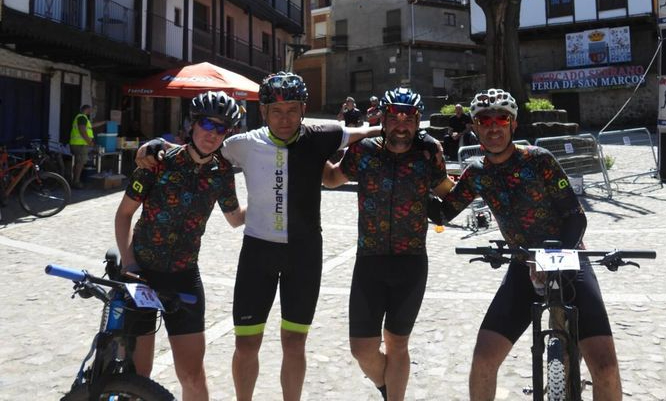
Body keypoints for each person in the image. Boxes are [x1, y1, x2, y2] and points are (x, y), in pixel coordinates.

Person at [136, 72, 379, 401]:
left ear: (303, 109)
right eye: (276, 111)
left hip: (304, 254)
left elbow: (366, 132)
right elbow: (199, 146)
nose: (284, 119)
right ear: (263, 111)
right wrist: (155, 146)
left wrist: (400, 130)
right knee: (246, 344)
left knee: (294, 343)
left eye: (292, 110)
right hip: (257, 254)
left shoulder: (323, 135)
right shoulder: (243, 144)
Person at [434, 89, 621, 401]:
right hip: (523, 266)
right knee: (483, 360)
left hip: (569, 260)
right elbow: (442, 212)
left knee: (605, 368)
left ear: (513, 124)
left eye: (501, 119)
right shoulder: (477, 172)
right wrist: (421, 175)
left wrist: (551, 256)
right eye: (484, 120)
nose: (493, 127)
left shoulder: (538, 159)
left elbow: (576, 217)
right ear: (475, 127)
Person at [115, 91, 246, 401]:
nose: (212, 134)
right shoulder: (157, 162)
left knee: (192, 376)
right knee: (137, 376)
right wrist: (129, 263)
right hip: (141, 274)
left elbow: (235, 218)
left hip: (184, 276)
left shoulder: (222, 173)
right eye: (207, 124)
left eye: (221, 128)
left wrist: (273, 202)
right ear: (192, 124)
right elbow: (124, 215)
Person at [323, 87, 452, 401]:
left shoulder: (428, 151)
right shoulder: (364, 150)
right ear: (383, 118)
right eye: (394, 116)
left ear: (418, 121)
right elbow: (333, 179)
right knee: (361, 349)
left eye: (409, 118)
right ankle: (390, 389)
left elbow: (447, 190)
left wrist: (477, 181)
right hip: (370, 260)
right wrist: (311, 151)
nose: (401, 125)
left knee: (397, 344)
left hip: (411, 262)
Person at [69, 104, 106, 188]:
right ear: (87, 109)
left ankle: (75, 180)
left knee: (79, 163)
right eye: (91, 109)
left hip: (78, 144)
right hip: (80, 144)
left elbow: (91, 125)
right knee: (80, 163)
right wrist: (90, 142)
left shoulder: (83, 118)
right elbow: (82, 131)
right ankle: (76, 182)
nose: (91, 111)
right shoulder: (82, 117)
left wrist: (104, 122)